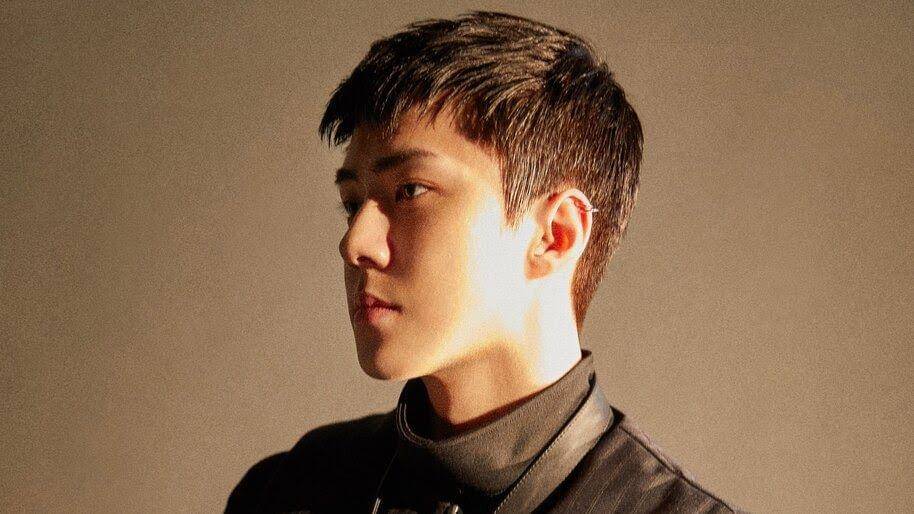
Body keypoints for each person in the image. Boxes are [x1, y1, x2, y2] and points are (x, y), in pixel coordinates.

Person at [226, 10, 745, 514]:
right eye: (352, 202)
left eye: (410, 191)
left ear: (555, 235)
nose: (355, 243)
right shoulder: (286, 491)